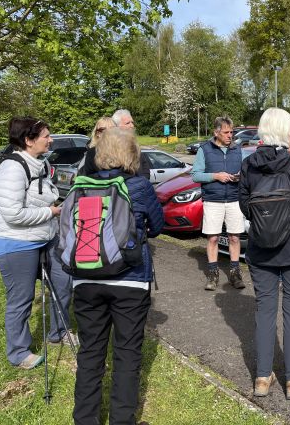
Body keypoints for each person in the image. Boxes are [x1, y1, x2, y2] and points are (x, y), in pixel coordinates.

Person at [72, 127, 164, 425]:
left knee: (90, 352)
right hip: (130, 280)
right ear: (132, 155)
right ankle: (122, 420)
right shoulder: (139, 186)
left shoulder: (81, 186)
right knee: (126, 354)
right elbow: (158, 226)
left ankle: (85, 419)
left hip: (86, 278)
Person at [239, 108, 290, 400]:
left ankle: (262, 378)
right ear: (287, 131)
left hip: (261, 248)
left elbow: (245, 205)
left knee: (264, 311)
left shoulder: (249, 164)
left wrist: (265, 222)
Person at [0, 117, 75, 369]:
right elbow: (13, 214)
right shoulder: (12, 168)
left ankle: (59, 332)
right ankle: (19, 353)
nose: (50, 140)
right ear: (28, 140)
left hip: (46, 237)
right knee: (22, 298)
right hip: (17, 243)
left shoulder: (41, 163)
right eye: (46, 136)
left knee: (63, 282)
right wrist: (51, 212)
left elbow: (44, 195)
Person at [192, 116, 246, 290]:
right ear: (216, 133)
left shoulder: (237, 149)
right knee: (213, 238)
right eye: (226, 132)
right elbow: (195, 175)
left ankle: (235, 274)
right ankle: (213, 274)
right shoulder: (204, 149)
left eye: (232, 132)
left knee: (234, 237)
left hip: (234, 199)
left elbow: (245, 172)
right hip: (213, 200)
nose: (230, 135)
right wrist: (216, 176)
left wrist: (240, 177)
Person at [79, 109, 150, 179]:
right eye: (102, 130)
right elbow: (87, 176)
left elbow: (144, 171)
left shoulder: (129, 149)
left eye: (111, 129)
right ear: (97, 133)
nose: (132, 125)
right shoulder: (91, 152)